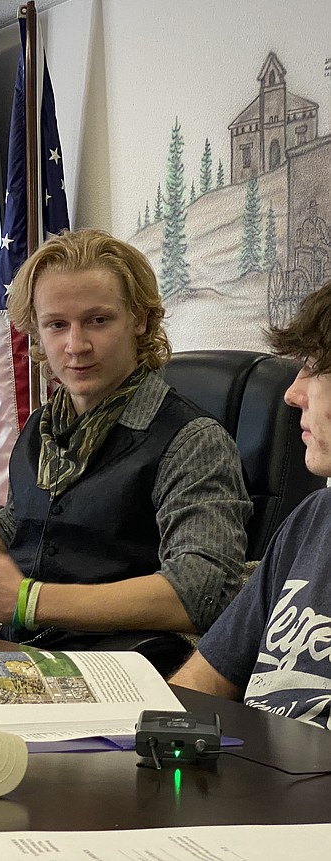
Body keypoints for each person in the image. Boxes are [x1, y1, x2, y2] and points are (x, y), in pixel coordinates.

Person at [0, 229, 251, 648]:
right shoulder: (43, 425)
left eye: (98, 321)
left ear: (139, 319)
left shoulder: (192, 441)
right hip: (23, 646)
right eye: (57, 325)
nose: (76, 345)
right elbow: (16, 521)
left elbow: (204, 591)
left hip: (121, 663)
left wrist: (29, 600)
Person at [172, 280, 331, 728]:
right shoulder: (314, 519)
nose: (292, 394)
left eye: (314, 369)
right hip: (247, 781)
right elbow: (203, 682)